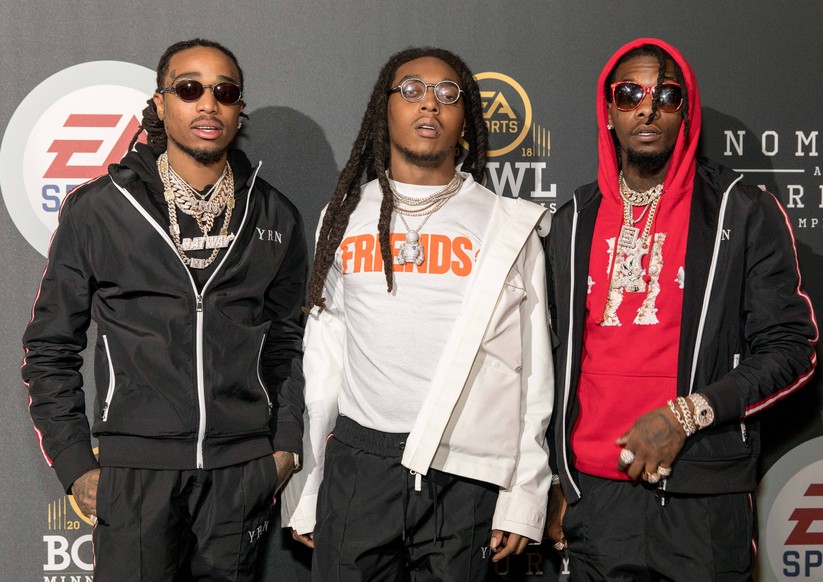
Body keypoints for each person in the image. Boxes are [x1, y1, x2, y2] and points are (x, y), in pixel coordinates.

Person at [21, 38, 307, 581]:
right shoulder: (100, 208)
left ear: (238, 109)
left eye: (224, 92)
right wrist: (76, 463)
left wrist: (284, 447)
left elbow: (289, 340)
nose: (208, 104)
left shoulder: (274, 213)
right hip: (136, 473)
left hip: (239, 470)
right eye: (189, 89)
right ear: (159, 103)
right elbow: (49, 346)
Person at [545, 38, 818, 581]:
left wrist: (685, 415)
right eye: (630, 94)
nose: (647, 108)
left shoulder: (742, 211)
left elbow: (791, 350)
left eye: (667, 95)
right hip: (594, 503)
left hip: (702, 502)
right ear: (609, 112)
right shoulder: (572, 220)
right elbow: (544, 363)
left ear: (686, 111)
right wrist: (556, 481)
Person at [280, 47, 553, 580]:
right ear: (385, 108)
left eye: (447, 94)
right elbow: (325, 360)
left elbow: (533, 370)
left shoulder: (507, 225)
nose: (429, 103)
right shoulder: (343, 216)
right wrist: (311, 484)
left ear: (466, 118)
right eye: (411, 90)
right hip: (359, 460)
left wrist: (525, 494)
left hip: (462, 468)